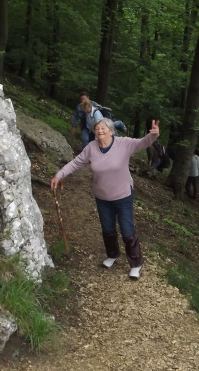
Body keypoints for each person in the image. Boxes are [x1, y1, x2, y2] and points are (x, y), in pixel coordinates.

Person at [52, 118, 160, 279]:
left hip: (123, 195)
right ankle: (113, 255)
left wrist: (153, 135)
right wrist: (59, 175)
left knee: (127, 229)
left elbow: (142, 143)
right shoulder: (91, 148)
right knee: (107, 228)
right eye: (97, 129)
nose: (100, 131)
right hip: (102, 196)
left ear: (111, 131)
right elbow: (76, 163)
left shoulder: (123, 143)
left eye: (103, 128)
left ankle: (136, 264)